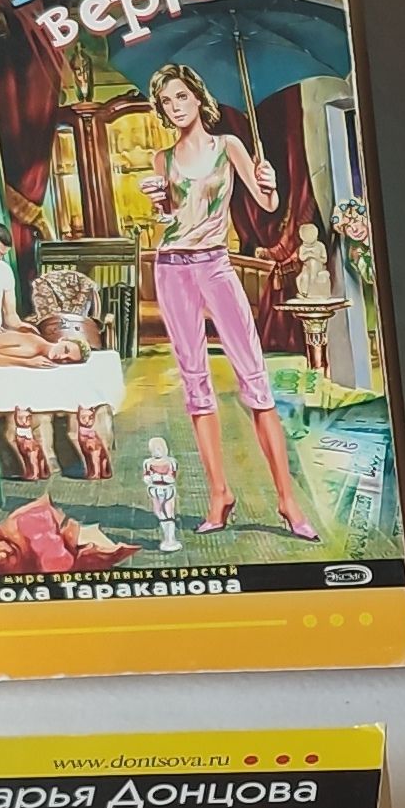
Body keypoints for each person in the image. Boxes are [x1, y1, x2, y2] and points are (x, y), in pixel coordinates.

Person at [140, 63, 318, 541]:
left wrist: (270, 182)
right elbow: (170, 219)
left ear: (199, 98)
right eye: (166, 102)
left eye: (181, 97)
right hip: (172, 269)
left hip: (216, 265)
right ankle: (219, 494)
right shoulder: (162, 159)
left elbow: (268, 206)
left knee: (255, 380)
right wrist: (158, 203)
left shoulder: (229, 146)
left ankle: (287, 500)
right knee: (195, 384)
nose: (175, 108)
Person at [0, 224, 68, 367]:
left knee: (32, 341)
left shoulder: (4, 271)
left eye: (2, 255)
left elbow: (10, 316)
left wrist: (22, 327)